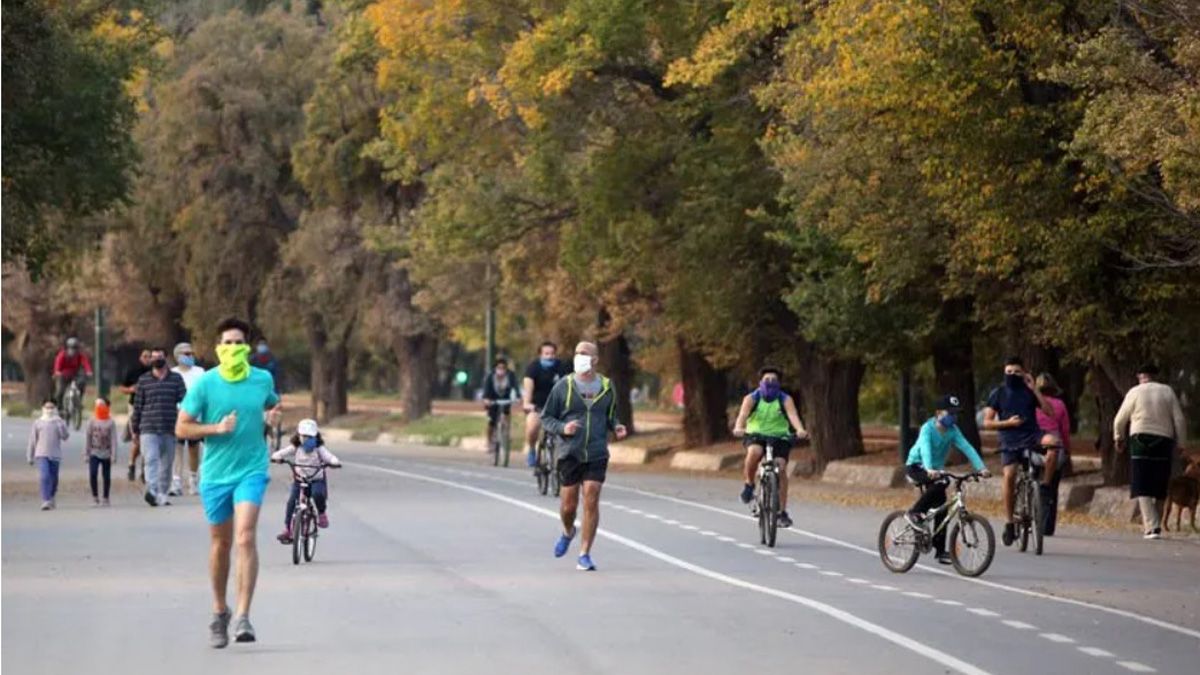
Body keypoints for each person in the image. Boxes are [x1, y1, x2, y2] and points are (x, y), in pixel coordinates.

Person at [176, 317, 281, 647]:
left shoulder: (262, 379)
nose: (233, 348)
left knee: (245, 536)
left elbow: (273, 404)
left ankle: (243, 617)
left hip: (251, 469)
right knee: (221, 543)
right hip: (216, 474)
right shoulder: (205, 384)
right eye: (228, 343)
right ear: (219, 347)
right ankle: (220, 611)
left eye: (239, 343)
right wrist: (215, 429)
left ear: (247, 348)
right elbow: (182, 428)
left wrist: (274, 416)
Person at [540, 341, 627, 571]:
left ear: (595, 360)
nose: (580, 357)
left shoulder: (607, 386)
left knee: (591, 495)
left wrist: (617, 426)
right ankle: (568, 531)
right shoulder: (564, 386)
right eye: (577, 353)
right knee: (569, 505)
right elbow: (547, 418)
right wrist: (563, 428)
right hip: (570, 452)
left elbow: (611, 416)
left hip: (597, 451)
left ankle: (584, 553)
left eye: (585, 354)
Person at [904, 395, 990, 564]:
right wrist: (929, 468)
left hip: (934, 470)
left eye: (956, 414)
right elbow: (925, 449)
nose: (953, 417)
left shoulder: (953, 431)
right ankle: (915, 513)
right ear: (938, 413)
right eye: (950, 413)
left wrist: (981, 468)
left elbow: (967, 447)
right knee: (943, 482)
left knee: (942, 508)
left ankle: (940, 550)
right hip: (917, 466)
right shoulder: (927, 428)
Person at [982, 356, 1054, 547]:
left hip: (1032, 434)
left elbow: (1050, 412)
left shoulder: (1029, 392)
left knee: (1053, 444)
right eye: (1009, 372)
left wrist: (1035, 389)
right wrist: (1007, 423)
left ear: (1024, 373)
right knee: (1010, 474)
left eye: (1017, 372)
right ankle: (1009, 521)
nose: (1012, 375)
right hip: (1009, 437)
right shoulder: (998, 393)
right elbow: (987, 422)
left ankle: (1045, 487)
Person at [1114, 363, 1189, 540]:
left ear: (1141, 377)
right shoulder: (1167, 391)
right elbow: (1179, 419)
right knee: (1160, 480)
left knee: (1142, 481)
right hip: (1163, 440)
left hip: (1140, 439)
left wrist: (1119, 437)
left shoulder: (1134, 392)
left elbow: (1120, 418)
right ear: (1156, 376)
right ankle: (1158, 518)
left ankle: (1151, 526)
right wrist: (1182, 443)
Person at [732, 368, 808, 529]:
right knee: (755, 452)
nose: (770, 383)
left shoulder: (785, 399)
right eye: (767, 380)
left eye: (774, 380)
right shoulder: (752, 398)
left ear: (779, 383)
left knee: (780, 469)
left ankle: (781, 511)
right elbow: (743, 415)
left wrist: (800, 429)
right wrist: (739, 427)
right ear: (760, 382)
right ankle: (749, 484)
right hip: (756, 434)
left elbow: (793, 415)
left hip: (780, 436)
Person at [132, 348, 187, 507]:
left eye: (160, 357)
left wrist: (185, 420)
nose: (156, 359)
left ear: (166, 358)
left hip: (170, 427)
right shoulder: (143, 380)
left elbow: (185, 400)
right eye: (153, 357)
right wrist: (135, 428)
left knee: (167, 462)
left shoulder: (176, 379)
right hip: (148, 426)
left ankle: (162, 493)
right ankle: (152, 490)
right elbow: (138, 405)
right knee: (151, 459)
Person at [271, 419, 341, 543]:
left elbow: (328, 456)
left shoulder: (318, 448)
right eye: (303, 436)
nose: (306, 439)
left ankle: (321, 513)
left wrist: (334, 462)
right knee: (291, 502)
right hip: (300, 480)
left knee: (318, 494)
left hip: (316, 479)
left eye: (309, 436)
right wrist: (277, 457)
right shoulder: (296, 447)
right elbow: (283, 453)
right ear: (298, 435)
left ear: (315, 436)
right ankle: (288, 529)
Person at [522, 341, 572, 467]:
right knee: (533, 425)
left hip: (557, 407)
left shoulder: (562, 367)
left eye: (552, 353)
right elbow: (528, 388)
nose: (550, 356)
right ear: (540, 355)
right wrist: (527, 404)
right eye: (546, 354)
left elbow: (570, 387)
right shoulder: (533, 368)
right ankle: (532, 449)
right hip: (538, 406)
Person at [1034, 373, 1071, 536]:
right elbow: (1065, 430)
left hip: (1035, 444)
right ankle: (1047, 526)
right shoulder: (1060, 405)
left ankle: (1030, 516)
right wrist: (1067, 450)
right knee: (1051, 489)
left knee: (1032, 480)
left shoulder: (1031, 404)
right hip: (1055, 446)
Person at [172, 342, 206, 496]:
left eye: (191, 353)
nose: (190, 356)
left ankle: (193, 480)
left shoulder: (200, 372)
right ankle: (176, 481)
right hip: (178, 415)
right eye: (186, 354)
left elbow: (205, 393)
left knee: (194, 449)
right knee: (177, 450)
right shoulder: (172, 373)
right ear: (178, 356)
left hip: (195, 417)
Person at [28, 399, 70, 511]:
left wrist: (60, 424)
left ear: (55, 409)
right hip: (41, 454)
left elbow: (65, 437)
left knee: (54, 478)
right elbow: (33, 440)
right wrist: (30, 456)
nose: (49, 410)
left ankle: (52, 496)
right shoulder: (38, 423)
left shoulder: (59, 422)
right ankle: (46, 500)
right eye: (47, 407)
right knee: (44, 476)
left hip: (55, 454)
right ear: (43, 408)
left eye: (51, 407)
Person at [120, 349, 153, 482]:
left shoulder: (155, 371)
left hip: (150, 407)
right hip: (134, 406)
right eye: (145, 356)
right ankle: (132, 464)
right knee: (138, 440)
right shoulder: (133, 370)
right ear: (140, 357)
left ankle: (145, 470)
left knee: (148, 439)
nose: (147, 359)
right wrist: (130, 389)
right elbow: (122, 387)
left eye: (149, 357)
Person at [84, 397, 120, 507]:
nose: (99, 407)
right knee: (93, 473)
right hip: (94, 452)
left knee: (106, 476)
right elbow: (88, 438)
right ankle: (95, 497)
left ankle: (106, 497)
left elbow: (114, 440)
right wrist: (86, 453)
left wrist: (114, 455)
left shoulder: (111, 422)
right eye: (97, 405)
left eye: (101, 405)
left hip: (106, 453)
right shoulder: (91, 421)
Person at [482, 357, 519, 453]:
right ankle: (489, 441)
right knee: (491, 422)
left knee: (506, 416)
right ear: (495, 368)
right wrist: (486, 399)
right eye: (499, 367)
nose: (501, 370)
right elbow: (486, 389)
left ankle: (506, 434)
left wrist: (517, 397)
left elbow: (515, 387)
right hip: (493, 400)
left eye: (503, 368)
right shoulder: (490, 376)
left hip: (506, 399)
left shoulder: (511, 376)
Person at [52, 336, 93, 410]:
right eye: (71, 348)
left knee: (81, 383)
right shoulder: (62, 355)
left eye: (75, 348)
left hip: (75, 374)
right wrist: (57, 371)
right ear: (67, 347)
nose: (73, 350)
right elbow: (57, 363)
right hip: (63, 375)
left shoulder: (80, 355)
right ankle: (59, 407)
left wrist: (88, 371)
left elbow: (85, 363)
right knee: (60, 391)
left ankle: (79, 401)